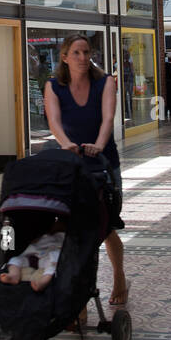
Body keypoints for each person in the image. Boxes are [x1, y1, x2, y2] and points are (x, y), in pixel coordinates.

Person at [45, 34, 129, 306]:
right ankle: (78, 293)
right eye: (77, 53)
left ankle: (118, 276)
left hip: (103, 162)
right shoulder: (53, 86)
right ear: (65, 56)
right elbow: (54, 122)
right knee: (74, 226)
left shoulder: (105, 82)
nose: (83, 58)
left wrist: (99, 145)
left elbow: (108, 118)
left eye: (86, 52)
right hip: (74, 163)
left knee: (106, 225)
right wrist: (66, 144)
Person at [0, 218, 65, 292]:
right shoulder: (44, 235)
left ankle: (42, 282)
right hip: (33, 257)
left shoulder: (63, 236)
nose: (56, 224)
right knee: (15, 259)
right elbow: (34, 243)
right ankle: (13, 275)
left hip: (48, 259)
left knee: (52, 267)